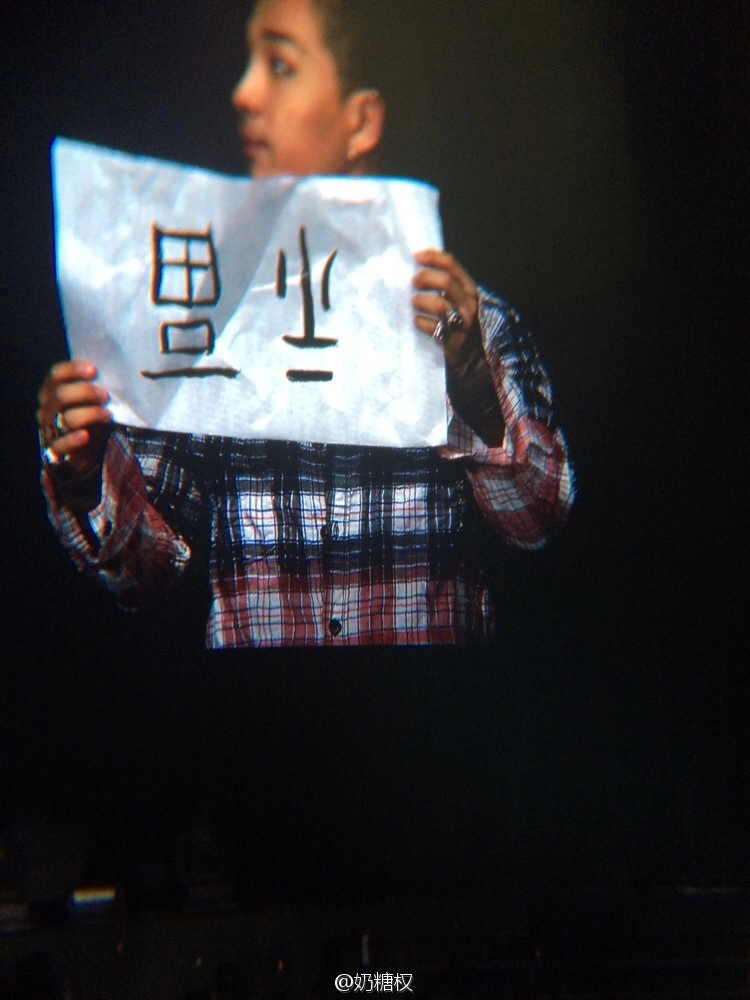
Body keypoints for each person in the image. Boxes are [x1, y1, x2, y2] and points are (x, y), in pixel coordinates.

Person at [36, 0, 574, 648]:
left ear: (361, 121)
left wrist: (474, 386)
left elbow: (538, 524)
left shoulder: (469, 322)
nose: (244, 94)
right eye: (249, 63)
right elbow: (143, 576)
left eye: (280, 65)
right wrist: (86, 473)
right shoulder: (201, 323)